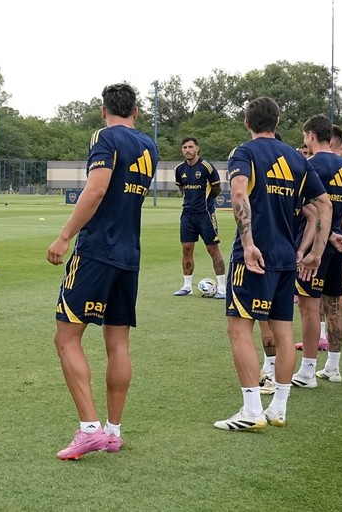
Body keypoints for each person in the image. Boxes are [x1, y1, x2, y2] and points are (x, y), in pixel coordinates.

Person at [47, 82, 158, 459]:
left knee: (66, 338)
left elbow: (96, 191)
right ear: (136, 111)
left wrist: (64, 237)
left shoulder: (104, 137)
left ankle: (89, 429)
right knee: (118, 344)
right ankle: (113, 432)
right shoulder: (149, 145)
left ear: (103, 111)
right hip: (129, 255)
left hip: (96, 251)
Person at [215, 97, 328, 431]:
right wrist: (317, 252)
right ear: (277, 122)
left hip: (255, 256)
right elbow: (323, 204)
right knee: (283, 331)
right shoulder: (297, 158)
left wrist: (249, 243)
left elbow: (239, 194)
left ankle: (252, 411)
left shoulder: (244, 153)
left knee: (239, 327)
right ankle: (278, 408)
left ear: (247, 122)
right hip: (286, 256)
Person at [292, 116, 342, 387]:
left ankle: (307, 372)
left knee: (309, 308)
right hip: (337, 244)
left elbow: (320, 209)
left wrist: (327, 236)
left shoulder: (312, 165)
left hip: (317, 246)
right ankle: (333, 367)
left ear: (310, 135)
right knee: (334, 308)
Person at [171, 137, 226, 299]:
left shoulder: (206, 167)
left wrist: (207, 203)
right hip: (187, 215)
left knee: (213, 249)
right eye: (184, 147)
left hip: (205, 214)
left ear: (197, 148)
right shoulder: (179, 169)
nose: (187, 150)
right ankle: (187, 286)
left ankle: (222, 288)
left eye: (190, 147)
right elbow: (182, 189)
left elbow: (217, 188)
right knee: (187, 248)